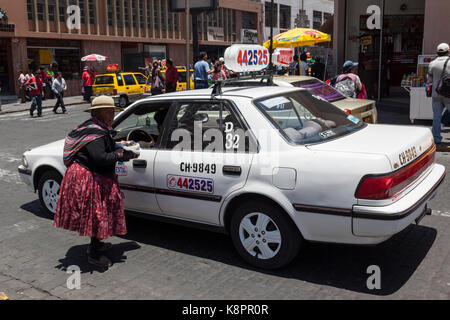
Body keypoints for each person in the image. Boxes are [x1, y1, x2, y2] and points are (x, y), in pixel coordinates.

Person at [54, 96, 137, 267]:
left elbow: (104, 149)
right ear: (100, 113)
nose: (113, 116)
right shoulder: (95, 133)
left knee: (99, 214)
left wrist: (119, 149)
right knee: (97, 215)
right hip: (88, 177)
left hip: (93, 175)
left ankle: (97, 244)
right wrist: (121, 155)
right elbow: (100, 157)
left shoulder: (96, 128)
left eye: (113, 112)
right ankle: (94, 253)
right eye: (110, 112)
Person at [427, 43, 450, 146]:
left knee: (436, 117)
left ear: (437, 52)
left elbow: (429, 79)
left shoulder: (432, 64)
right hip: (449, 94)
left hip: (436, 93)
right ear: (448, 51)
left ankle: (436, 138)